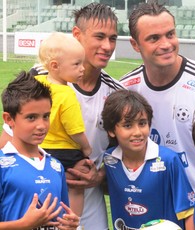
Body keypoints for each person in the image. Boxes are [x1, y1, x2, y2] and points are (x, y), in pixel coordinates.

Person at [0, 3, 123, 229]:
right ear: (77, 35)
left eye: (113, 38)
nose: (107, 46)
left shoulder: (116, 92)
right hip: (35, 190)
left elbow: (124, 152)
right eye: (99, 36)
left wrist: (100, 176)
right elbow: (8, 133)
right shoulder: (39, 79)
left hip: (86, 195)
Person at [120, 1, 195, 193]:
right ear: (135, 44)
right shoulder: (126, 89)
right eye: (154, 38)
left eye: (170, 34)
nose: (166, 44)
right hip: (148, 205)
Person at [101, 89, 195, 230]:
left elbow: (188, 212)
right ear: (111, 130)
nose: (138, 132)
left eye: (142, 123)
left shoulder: (169, 161)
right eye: (127, 125)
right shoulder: (109, 160)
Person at [0, 71, 79, 229]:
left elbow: (63, 217)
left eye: (46, 116)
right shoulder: (3, 165)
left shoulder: (55, 166)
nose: (42, 125)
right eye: (31, 117)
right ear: (9, 119)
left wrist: (70, 225)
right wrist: (23, 224)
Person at [36, 31, 91, 218]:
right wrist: (86, 148)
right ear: (55, 66)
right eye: (76, 64)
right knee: (75, 187)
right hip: (66, 151)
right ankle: (72, 220)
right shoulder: (67, 94)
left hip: (40, 148)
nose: (82, 68)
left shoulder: (38, 83)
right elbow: (75, 130)